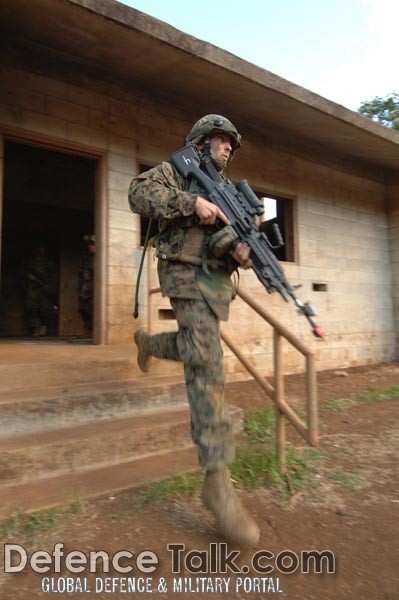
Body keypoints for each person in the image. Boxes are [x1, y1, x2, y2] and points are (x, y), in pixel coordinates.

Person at [128, 115, 260, 546]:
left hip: (213, 283)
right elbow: (138, 192)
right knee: (207, 368)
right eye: (223, 141)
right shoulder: (178, 170)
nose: (228, 149)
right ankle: (217, 480)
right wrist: (192, 204)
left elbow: (222, 243)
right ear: (202, 143)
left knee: (197, 350)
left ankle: (149, 343)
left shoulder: (229, 191)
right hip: (184, 276)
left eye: (231, 145)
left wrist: (239, 249)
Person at [21, 245, 58, 337]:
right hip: (32, 288)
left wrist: (48, 285)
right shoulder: (29, 262)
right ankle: (36, 328)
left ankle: (43, 327)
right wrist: (28, 276)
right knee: (32, 308)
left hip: (44, 289)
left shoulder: (49, 263)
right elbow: (22, 272)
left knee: (45, 309)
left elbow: (54, 276)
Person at [79, 234, 95, 333]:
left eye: (92, 244)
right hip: (86, 290)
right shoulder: (87, 258)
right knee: (82, 309)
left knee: (91, 309)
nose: (90, 246)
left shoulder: (99, 258)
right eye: (89, 244)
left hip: (94, 290)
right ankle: (90, 330)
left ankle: (93, 331)